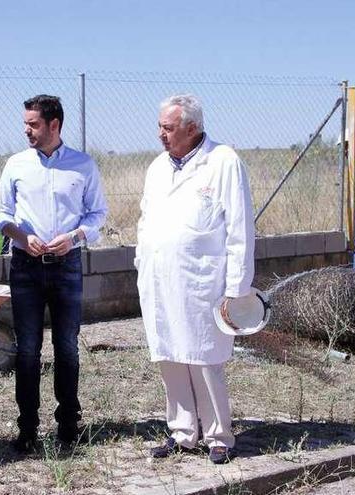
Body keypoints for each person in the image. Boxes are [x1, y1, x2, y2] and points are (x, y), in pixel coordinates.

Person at [135, 94, 255, 464]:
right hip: (158, 278)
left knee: (204, 357)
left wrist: (237, 289)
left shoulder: (223, 162)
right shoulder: (157, 167)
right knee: (169, 354)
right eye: (159, 126)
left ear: (192, 127)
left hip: (203, 281)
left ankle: (219, 435)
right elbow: (144, 219)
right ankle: (183, 432)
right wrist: (141, 260)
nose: (161, 134)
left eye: (168, 128)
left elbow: (240, 229)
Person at [0, 94, 108, 453]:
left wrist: (74, 237)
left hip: (67, 266)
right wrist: (22, 238)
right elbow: (0, 213)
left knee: (67, 347)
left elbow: (98, 215)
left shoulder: (83, 165)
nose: (26, 129)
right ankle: (27, 429)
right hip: (25, 267)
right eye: (26, 123)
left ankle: (68, 427)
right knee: (27, 349)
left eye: (33, 124)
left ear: (54, 125)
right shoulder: (16, 165)